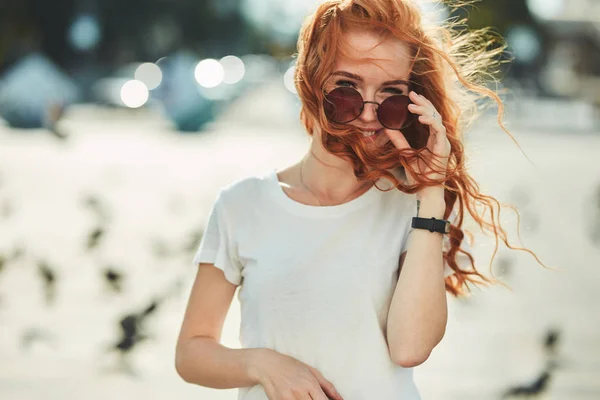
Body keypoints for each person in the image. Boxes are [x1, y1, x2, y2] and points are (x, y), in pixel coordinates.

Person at [175, 0, 547, 399]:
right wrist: (262, 363)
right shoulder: (241, 205)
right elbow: (192, 352)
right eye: (347, 91)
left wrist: (432, 193)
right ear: (311, 82)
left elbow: (410, 348)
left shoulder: (414, 208)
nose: (368, 114)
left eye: (391, 97)